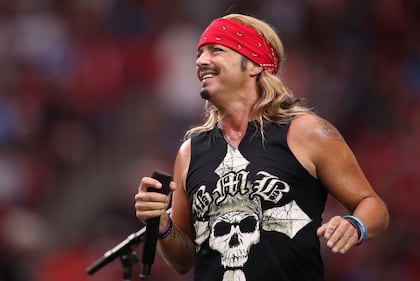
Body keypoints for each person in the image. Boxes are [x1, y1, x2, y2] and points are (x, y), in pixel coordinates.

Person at [134, 13, 389, 281]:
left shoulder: (305, 131)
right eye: (200, 53)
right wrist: (162, 224)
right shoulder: (190, 151)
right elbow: (184, 259)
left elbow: (373, 206)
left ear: (254, 65)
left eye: (216, 50)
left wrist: (355, 225)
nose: (200, 61)